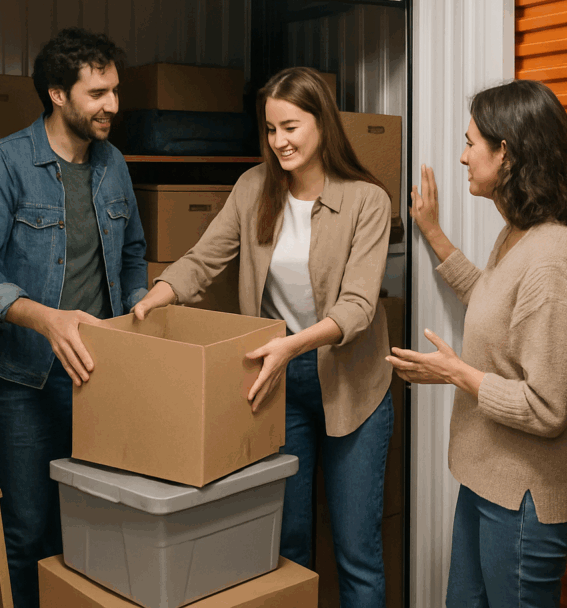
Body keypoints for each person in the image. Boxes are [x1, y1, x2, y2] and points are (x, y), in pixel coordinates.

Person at [132, 66, 394, 607]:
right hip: (277, 385)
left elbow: (359, 306)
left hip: (352, 387)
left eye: (292, 127)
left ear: (323, 123)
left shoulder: (368, 200)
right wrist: (158, 296)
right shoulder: (254, 187)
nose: (279, 142)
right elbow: (205, 259)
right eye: (271, 129)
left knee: (357, 551)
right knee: (287, 543)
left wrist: (293, 345)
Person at [0, 27, 148, 608]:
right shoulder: (7, 162)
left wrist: (137, 304)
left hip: (97, 378)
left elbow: (133, 250)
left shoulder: (114, 166)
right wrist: (46, 320)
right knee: (25, 532)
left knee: (84, 529)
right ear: (58, 95)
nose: (112, 104)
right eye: (97, 93)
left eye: (114, 89)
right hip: (22, 380)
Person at [388, 80, 567, 607]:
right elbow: (495, 300)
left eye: (471, 142)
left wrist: (459, 373)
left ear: (507, 151)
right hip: (488, 485)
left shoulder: (553, 258)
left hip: (523, 503)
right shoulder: (519, 234)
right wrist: (433, 234)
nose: (462, 156)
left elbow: (548, 408)